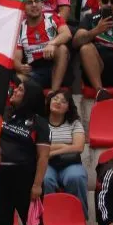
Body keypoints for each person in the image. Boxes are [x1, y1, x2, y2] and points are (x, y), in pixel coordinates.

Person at [0, 78, 61, 225]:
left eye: (20, 89)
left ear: (29, 96)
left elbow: (43, 156)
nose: (15, 91)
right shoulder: (4, 115)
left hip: (26, 180)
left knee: (34, 224)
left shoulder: (39, 122)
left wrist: (38, 184)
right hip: (0, 178)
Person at [14, 0, 72, 92]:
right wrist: (20, 67)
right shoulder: (20, 28)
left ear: (42, 4)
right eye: (29, 2)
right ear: (23, 7)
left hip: (55, 65)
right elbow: (16, 58)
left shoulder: (52, 18)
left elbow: (67, 34)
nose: (34, 5)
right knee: (18, 78)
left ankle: (53, 93)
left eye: (37, 1)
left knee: (62, 48)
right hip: (34, 70)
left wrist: (52, 43)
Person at [43, 89, 89, 218]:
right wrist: (65, 145)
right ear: (49, 102)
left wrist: (53, 151)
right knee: (45, 179)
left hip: (70, 163)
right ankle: (48, 219)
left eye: (63, 101)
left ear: (68, 107)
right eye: (55, 99)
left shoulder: (74, 123)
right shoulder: (40, 122)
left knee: (76, 177)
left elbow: (79, 147)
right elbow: (37, 147)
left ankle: (80, 218)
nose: (58, 102)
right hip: (46, 163)